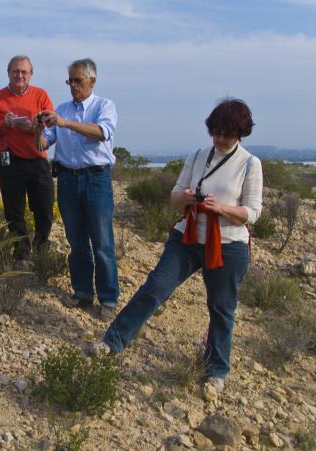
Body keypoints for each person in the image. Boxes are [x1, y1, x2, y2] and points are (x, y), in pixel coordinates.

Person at [94, 98, 262, 393]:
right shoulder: (197, 156)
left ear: (240, 133)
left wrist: (221, 208)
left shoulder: (250, 164)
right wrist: (186, 197)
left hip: (227, 245)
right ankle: (113, 341)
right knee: (155, 288)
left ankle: (216, 370)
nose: (220, 139)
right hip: (187, 238)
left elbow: (252, 212)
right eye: (216, 132)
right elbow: (174, 198)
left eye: (227, 134)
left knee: (221, 308)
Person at [35, 58, 119, 321]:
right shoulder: (61, 110)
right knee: (77, 240)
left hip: (96, 180)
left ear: (92, 81)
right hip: (67, 180)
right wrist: (38, 128)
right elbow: (43, 144)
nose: (72, 85)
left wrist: (64, 123)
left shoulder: (104, 106)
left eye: (77, 80)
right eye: (69, 80)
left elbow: (101, 132)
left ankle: (108, 299)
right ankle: (82, 292)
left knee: (102, 242)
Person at [0, 55, 54, 266]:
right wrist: (5, 124)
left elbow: (51, 124)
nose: (19, 75)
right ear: (8, 73)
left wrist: (33, 127)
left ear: (31, 74)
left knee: (44, 208)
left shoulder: (41, 95)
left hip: (38, 160)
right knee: (13, 210)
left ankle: (41, 247)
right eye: (15, 71)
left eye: (24, 71)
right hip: (10, 162)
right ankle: (21, 252)